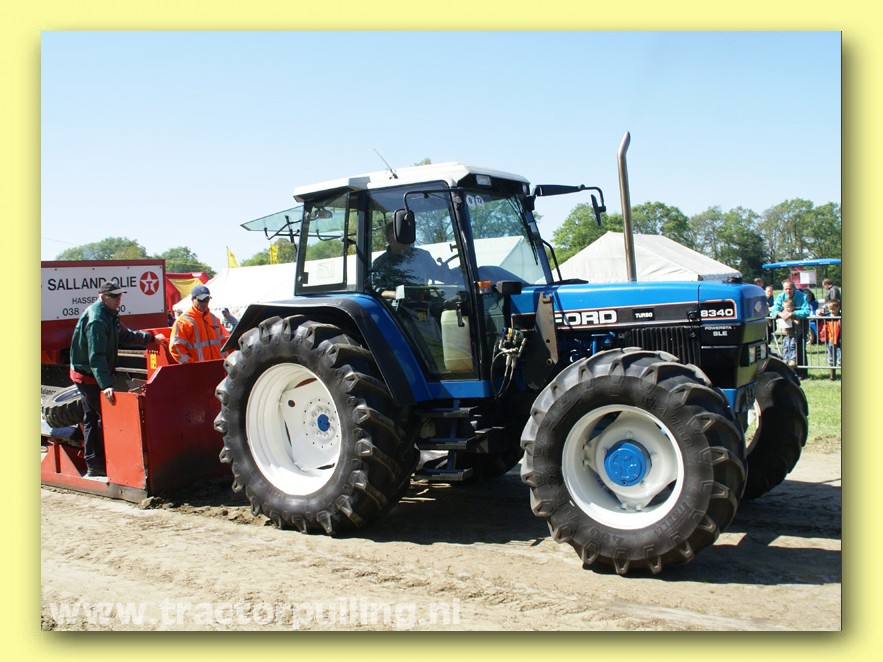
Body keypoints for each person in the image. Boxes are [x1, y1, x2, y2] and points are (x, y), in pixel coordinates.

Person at [69, 281, 167, 477]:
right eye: (114, 296)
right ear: (103, 297)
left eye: (120, 295)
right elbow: (96, 356)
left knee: (92, 417)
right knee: (103, 417)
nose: (118, 299)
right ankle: (100, 463)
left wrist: (150, 338)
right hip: (87, 375)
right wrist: (106, 385)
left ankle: (95, 464)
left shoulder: (110, 315)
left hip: (92, 373)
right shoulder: (97, 319)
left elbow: (125, 335)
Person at [370, 221, 451, 299]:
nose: (405, 237)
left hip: (425, 301)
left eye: (407, 234)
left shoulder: (422, 256)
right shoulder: (380, 263)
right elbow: (376, 289)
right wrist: (397, 294)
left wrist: (452, 273)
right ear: (388, 239)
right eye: (400, 234)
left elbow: (439, 275)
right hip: (396, 306)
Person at [169, 285, 231, 364]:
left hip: (216, 367)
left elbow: (223, 343)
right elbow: (175, 347)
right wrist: (192, 365)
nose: (204, 303)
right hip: (197, 369)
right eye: (201, 300)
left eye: (207, 300)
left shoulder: (214, 319)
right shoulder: (183, 322)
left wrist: (223, 362)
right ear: (193, 300)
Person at [819, 298, 842, 379]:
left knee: (841, 358)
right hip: (831, 339)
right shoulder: (828, 316)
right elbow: (818, 316)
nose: (831, 311)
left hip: (840, 340)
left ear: (838, 307)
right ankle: (832, 375)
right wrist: (819, 312)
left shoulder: (841, 316)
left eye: (833, 309)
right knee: (831, 357)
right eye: (830, 309)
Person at [774, 299, 799, 367]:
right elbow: (775, 315)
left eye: (788, 307)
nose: (786, 309)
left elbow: (797, 322)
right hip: (786, 334)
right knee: (785, 346)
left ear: (792, 307)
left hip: (793, 333)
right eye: (785, 307)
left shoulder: (793, 314)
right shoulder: (783, 314)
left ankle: (793, 359)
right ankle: (785, 359)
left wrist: (792, 320)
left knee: (792, 346)